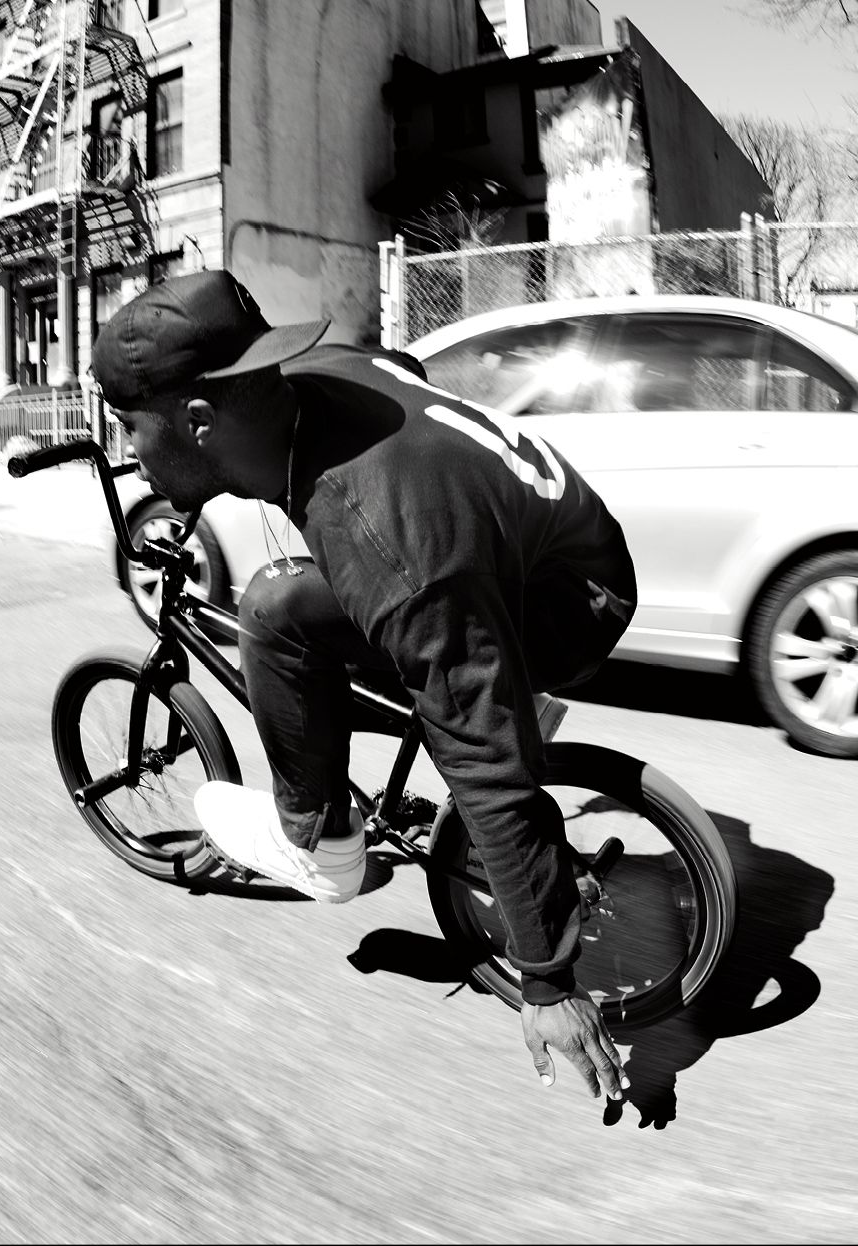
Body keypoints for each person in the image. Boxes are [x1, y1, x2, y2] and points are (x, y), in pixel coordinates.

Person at [93, 270, 640, 1102]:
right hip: (546, 548)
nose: (131, 451)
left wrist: (548, 984)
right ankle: (462, 674)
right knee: (347, 601)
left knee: (278, 609)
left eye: (131, 427)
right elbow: (405, 374)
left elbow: (485, 764)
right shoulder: (329, 374)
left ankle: (323, 848)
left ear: (200, 421)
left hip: (566, 604)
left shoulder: (379, 531)